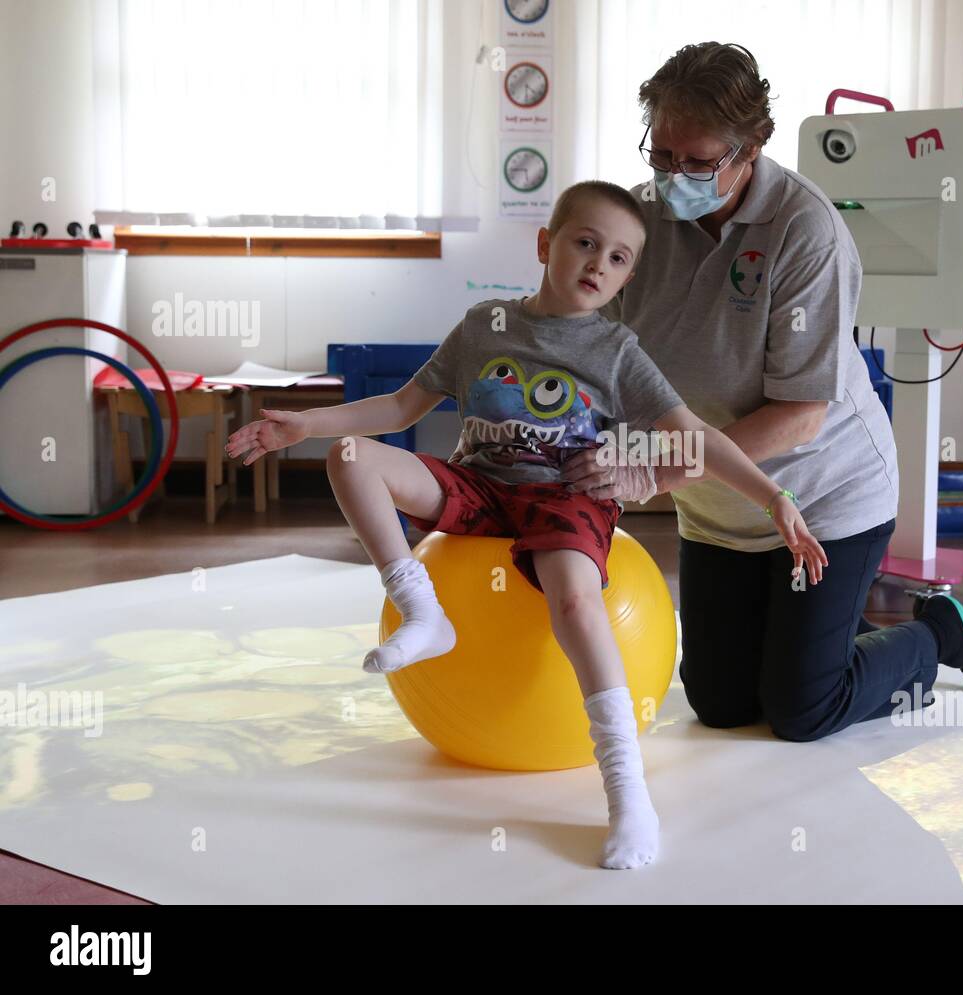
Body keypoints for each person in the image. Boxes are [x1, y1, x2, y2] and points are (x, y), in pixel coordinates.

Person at [225, 179, 828, 870]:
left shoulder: (617, 349)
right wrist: (306, 424)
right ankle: (422, 610)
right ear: (546, 244)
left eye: (621, 257)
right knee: (351, 457)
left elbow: (697, 438)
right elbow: (397, 409)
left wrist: (772, 496)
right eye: (585, 243)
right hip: (480, 485)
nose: (600, 264)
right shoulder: (484, 324)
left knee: (572, 595)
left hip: (566, 496)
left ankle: (626, 789)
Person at [564, 42, 963, 743]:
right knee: (722, 703)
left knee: (804, 709)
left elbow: (801, 417)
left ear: (753, 147)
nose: (672, 177)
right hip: (716, 509)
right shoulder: (639, 224)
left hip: (822, 499)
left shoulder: (806, 231)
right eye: (661, 155)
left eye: (698, 162)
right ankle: (820, 632)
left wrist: (653, 465)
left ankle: (936, 633)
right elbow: (597, 357)